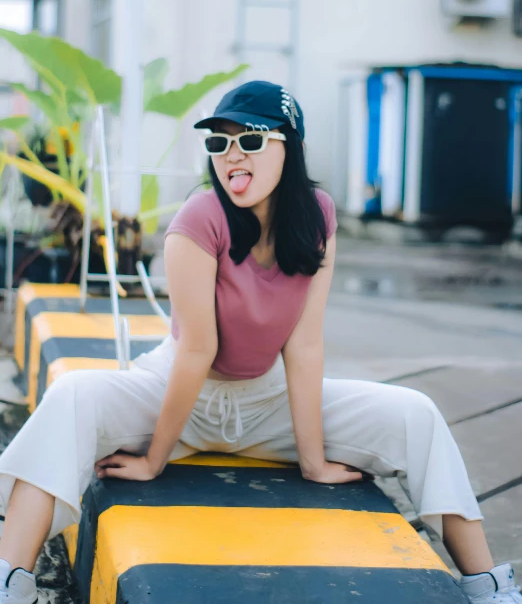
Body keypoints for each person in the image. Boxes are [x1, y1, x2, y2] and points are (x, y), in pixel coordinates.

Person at [0, 80, 518, 604]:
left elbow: (304, 345)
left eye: (249, 140)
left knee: (416, 413)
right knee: (70, 400)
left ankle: (487, 585)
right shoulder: (199, 218)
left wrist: (313, 462)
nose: (231, 156)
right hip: (176, 393)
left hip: (268, 404)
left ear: (288, 147)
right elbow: (197, 350)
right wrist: (155, 459)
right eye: (218, 143)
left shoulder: (318, 216)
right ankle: (10, 582)